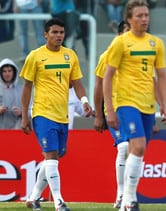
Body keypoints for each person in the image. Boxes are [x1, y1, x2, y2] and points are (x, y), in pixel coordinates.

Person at [103, 1, 166, 210]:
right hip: (126, 102)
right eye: (140, 16)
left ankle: (125, 199)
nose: (145, 19)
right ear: (129, 19)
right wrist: (110, 110)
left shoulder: (156, 43)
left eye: (147, 15)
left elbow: (161, 76)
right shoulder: (120, 43)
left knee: (137, 150)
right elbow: (107, 77)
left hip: (147, 105)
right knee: (138, 145)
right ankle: (130, 199)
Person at [20, 18, 92, 211]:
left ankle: (33, 197)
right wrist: (26, 116)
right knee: (51, 155)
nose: (59, 36)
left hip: (63, 115)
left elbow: (77, 83)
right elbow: (27, 86)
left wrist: (84, 102)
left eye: (61, 32)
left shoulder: (70, 55)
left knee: (54, 156)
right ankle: (59, 201)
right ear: (46, 34)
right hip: (43, 113)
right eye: (54, 32)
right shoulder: (35, 56)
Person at [94, 20, 129, 209]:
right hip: (113, 111)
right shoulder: (107, 56)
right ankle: (121, 193)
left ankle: (127, 194)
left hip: (134, 111)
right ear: (118, 35)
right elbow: (98, 85)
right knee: (123, 147)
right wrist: (99, 115)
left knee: (134, 153)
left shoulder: (138, 58)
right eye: (126, 31)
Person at [0, 58, 22, 129]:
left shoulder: (21, 90)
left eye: (9, 71)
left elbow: (31, 110)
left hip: (18, 131)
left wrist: (22, 113)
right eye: (4, 71)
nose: (7, 74)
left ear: (14, 72)